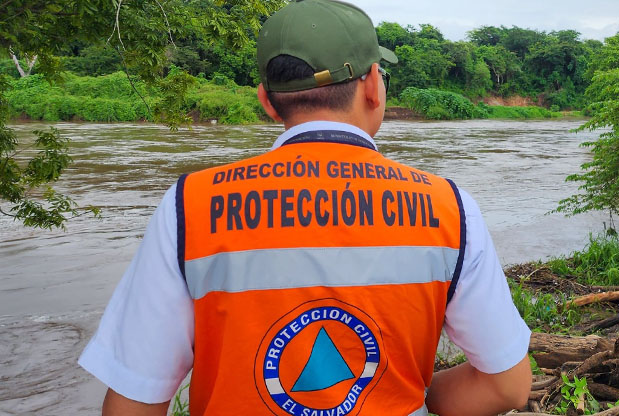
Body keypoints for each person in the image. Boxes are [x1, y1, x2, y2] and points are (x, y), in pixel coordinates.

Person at [77, 1, 532, 415]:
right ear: (373, 86)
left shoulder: (189, 205)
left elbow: (132, 403)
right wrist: (415, 396)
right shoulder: (449, 208)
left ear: (266, 102)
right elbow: (507, 386)